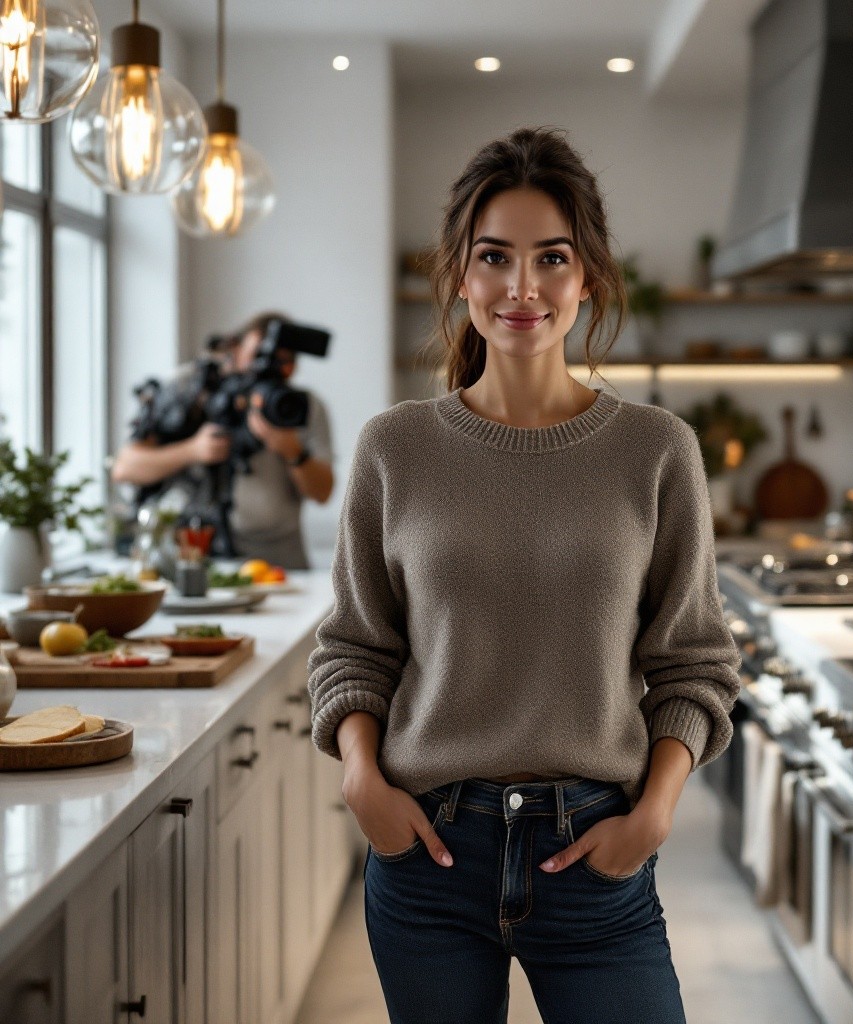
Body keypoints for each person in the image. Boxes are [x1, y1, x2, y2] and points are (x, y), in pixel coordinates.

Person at [307, 127, 742, 1023]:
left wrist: (653, 813)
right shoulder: (396, 447)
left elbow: (695, 663)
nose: (522, 287)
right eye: (494, 257)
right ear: (460, 275)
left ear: (587, 279)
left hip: (596, 856)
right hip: (427, 856)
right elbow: (354, 647)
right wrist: (361, 778)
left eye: (552, 259)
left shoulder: (657, 450)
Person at [110, 311, 335, 570]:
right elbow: (124, 467)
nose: (272, 367)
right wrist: (192, 450)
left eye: (285, 360)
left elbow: (323, 492)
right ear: (235, 348)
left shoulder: (299, 407)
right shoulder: (193, 387)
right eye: (258, 356)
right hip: (197, 560)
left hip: (280, 566)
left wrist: (292, 451)